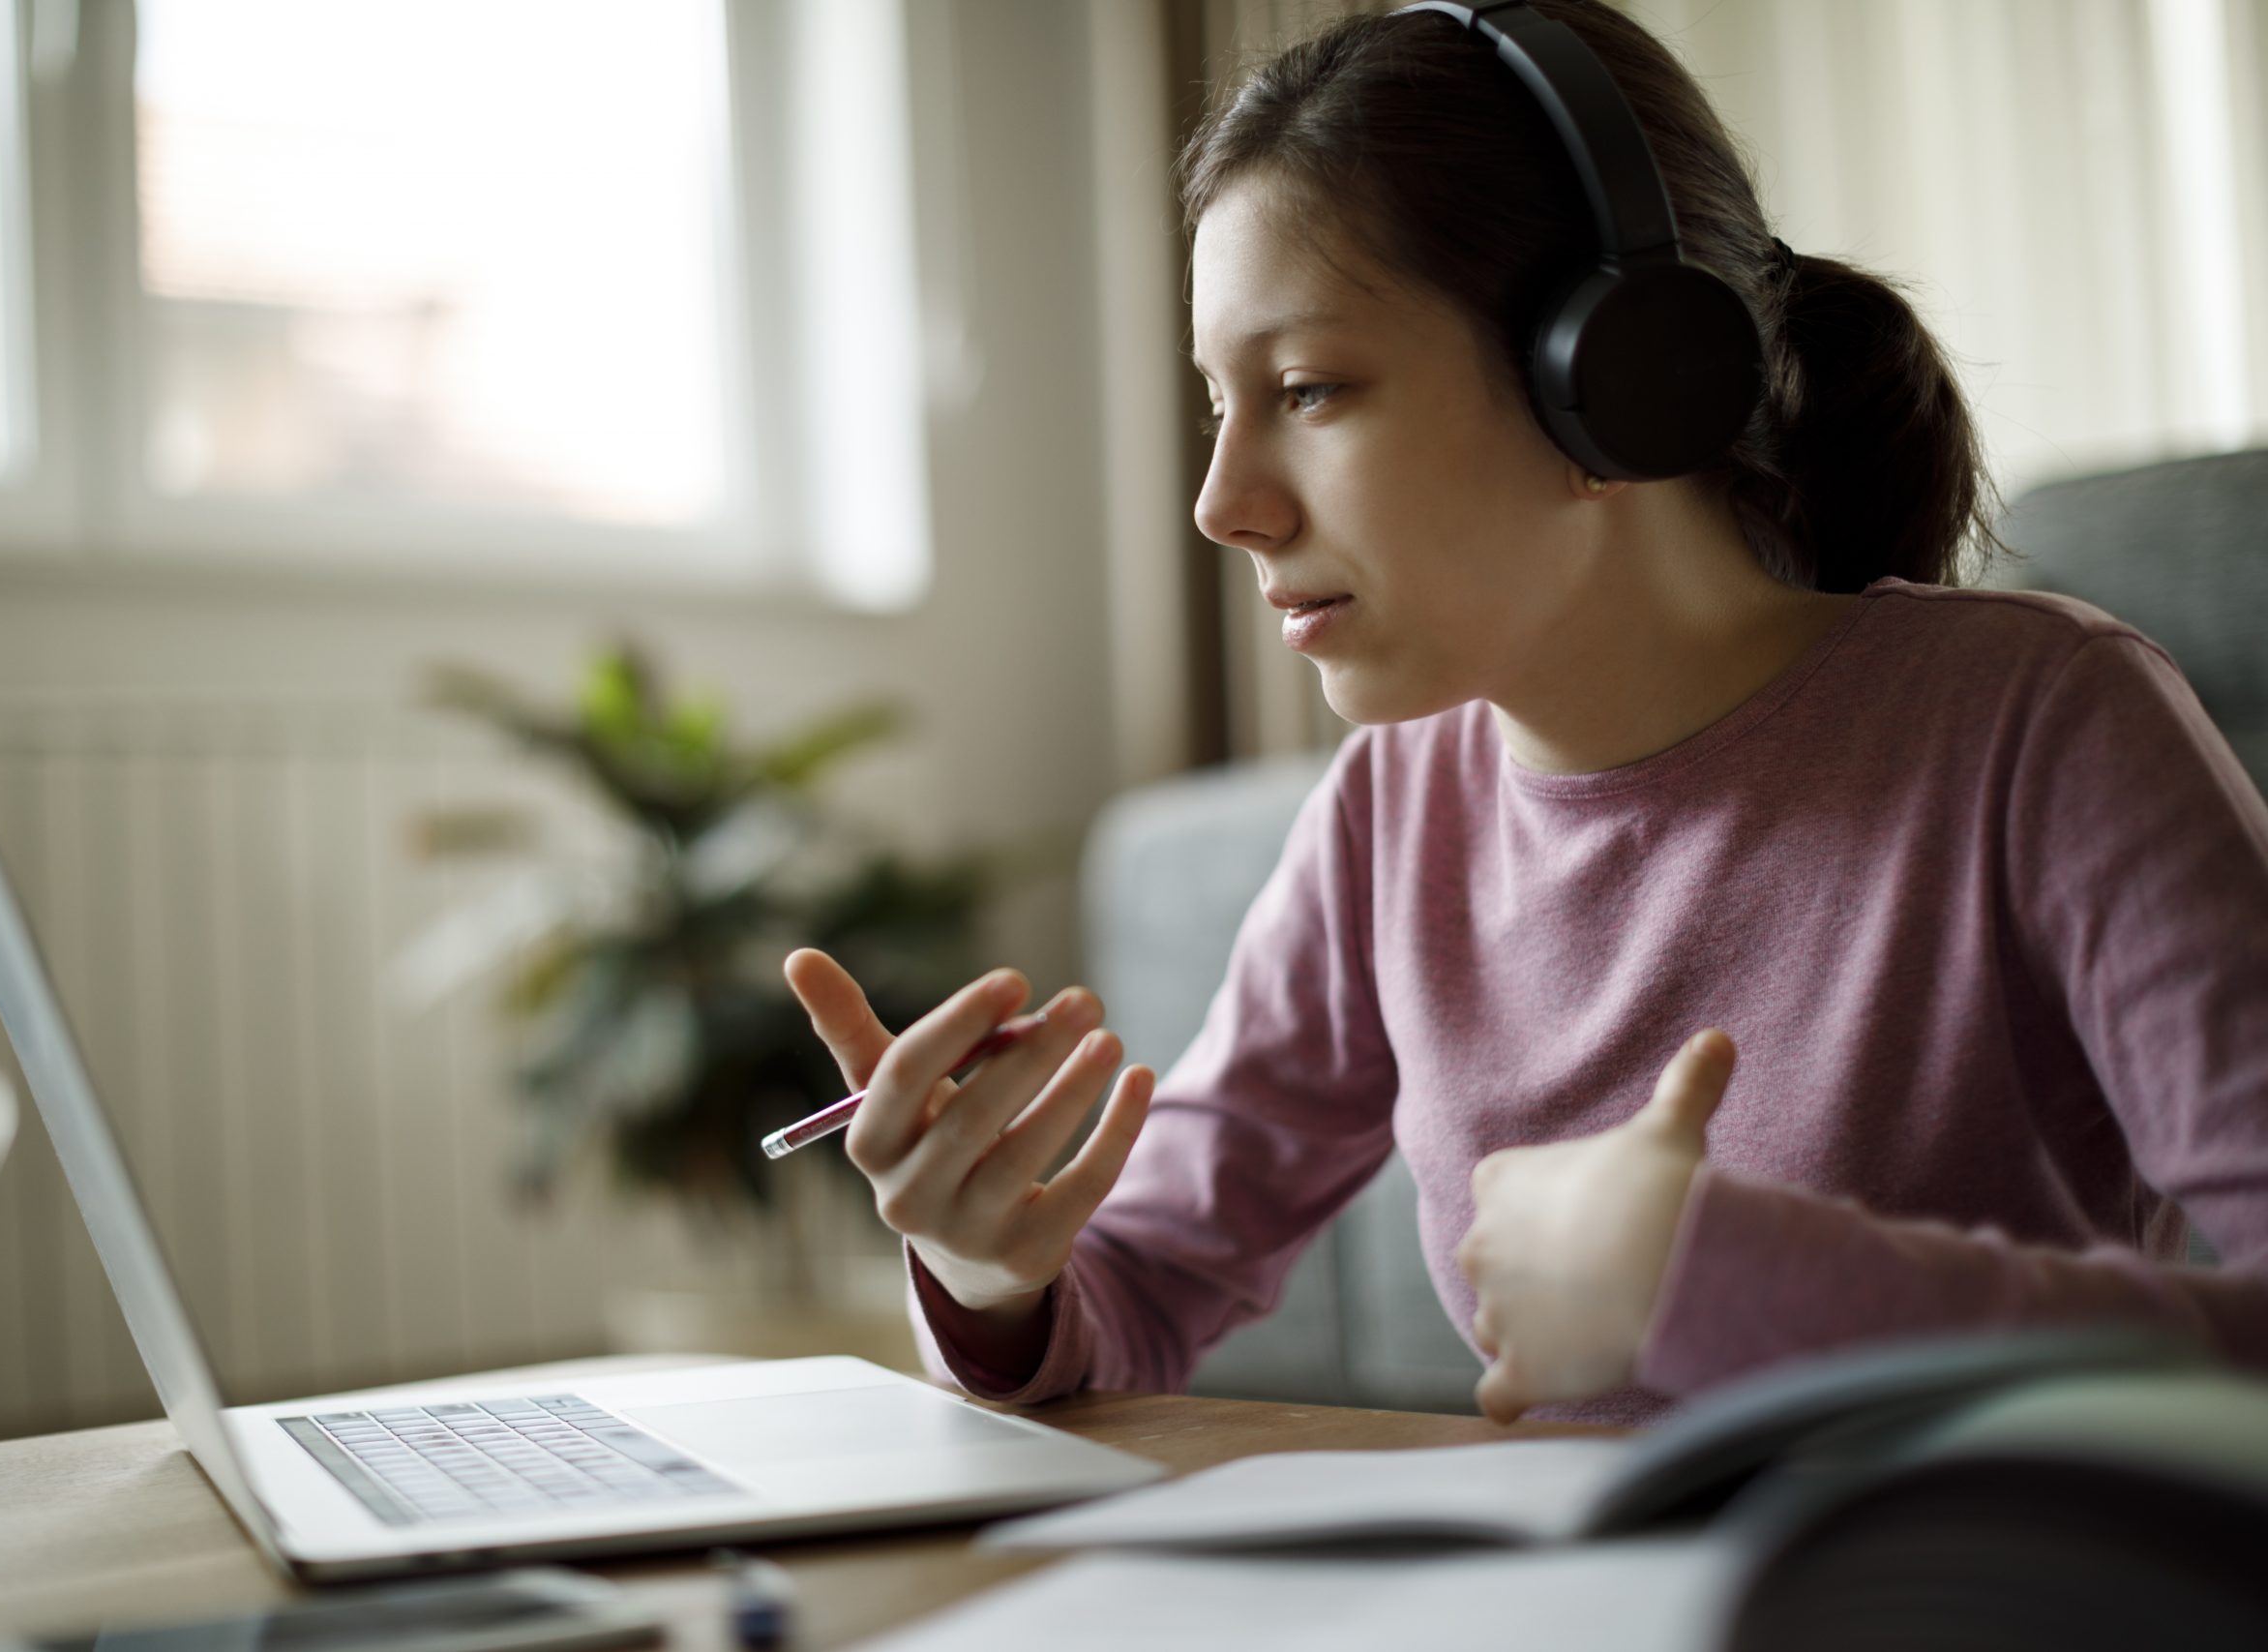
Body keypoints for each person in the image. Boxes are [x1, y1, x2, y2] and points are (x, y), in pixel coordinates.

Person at [784, 0, 2268, 1426]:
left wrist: (1769, 1289)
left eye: (1306, 388)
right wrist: (995, 1268)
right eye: (1214, 406)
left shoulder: (2041, 726)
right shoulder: (1390, 811)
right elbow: (1143, 1290)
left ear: (1615, 386)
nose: (1221, 505)